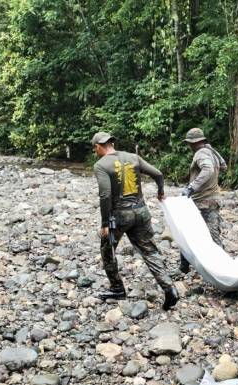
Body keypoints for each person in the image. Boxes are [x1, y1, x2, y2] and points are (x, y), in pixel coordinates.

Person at [91, 132, 179, 310]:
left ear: (99, 146)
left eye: (95, 149)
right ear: (112, 144)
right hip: (141, 211)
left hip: (120, 216)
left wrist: (105, 224)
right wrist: (161, 192)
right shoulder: (133, 157)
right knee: (150, 251)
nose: (95, 151)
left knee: (107, 250)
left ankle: (117, 288)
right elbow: (158, 174)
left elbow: (106, 195)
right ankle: (170, 289)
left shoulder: (101, 165)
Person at [179, 128, 228, 274]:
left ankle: (184, 267)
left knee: (186, 234)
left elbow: (208, 170)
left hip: (200, 202)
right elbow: (224, 166)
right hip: (214, 199)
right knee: (213, 236)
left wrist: (191, 187)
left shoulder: (200, 153)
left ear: (193, 143)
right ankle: (223, 267)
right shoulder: (211, 152)